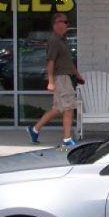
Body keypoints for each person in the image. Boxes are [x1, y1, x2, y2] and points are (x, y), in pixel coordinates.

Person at [26, 13, 84, 147]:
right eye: (65, 22)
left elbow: (68, 61)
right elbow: (50, 61)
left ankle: (34, 129)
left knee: (57, 109)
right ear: (57, 23)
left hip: (66, 76)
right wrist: (51, 81)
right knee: (69, 108)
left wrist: (77, 75)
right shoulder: (54, 40)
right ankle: (67, 140)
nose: (67, 24)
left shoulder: (63, 40)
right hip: (61, 78)